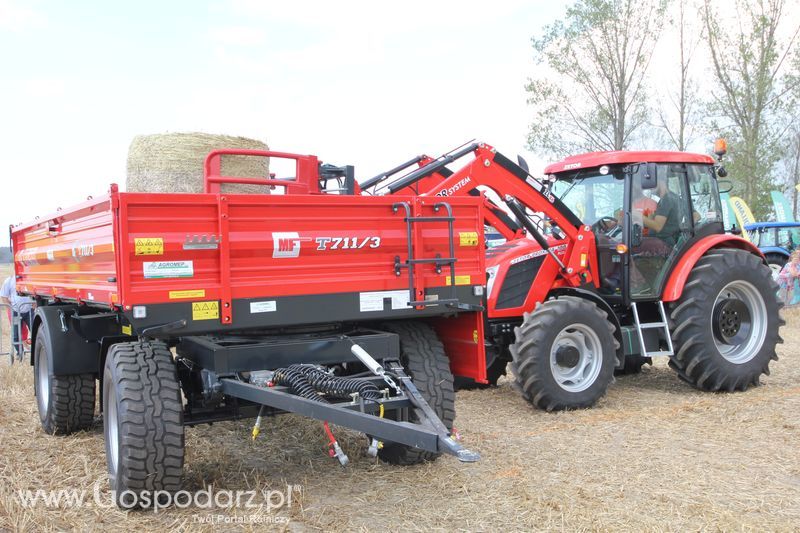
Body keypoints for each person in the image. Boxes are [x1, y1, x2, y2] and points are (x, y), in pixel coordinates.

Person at [1, 276, 34, 361]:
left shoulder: (30, 279)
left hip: (29, 311)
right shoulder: (9, 281)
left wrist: (34, 304)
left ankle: (36, 353)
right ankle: (20, 354)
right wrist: (11, 308)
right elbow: (4, 297)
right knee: (15, 335)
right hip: (15, 312)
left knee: (36, 332)